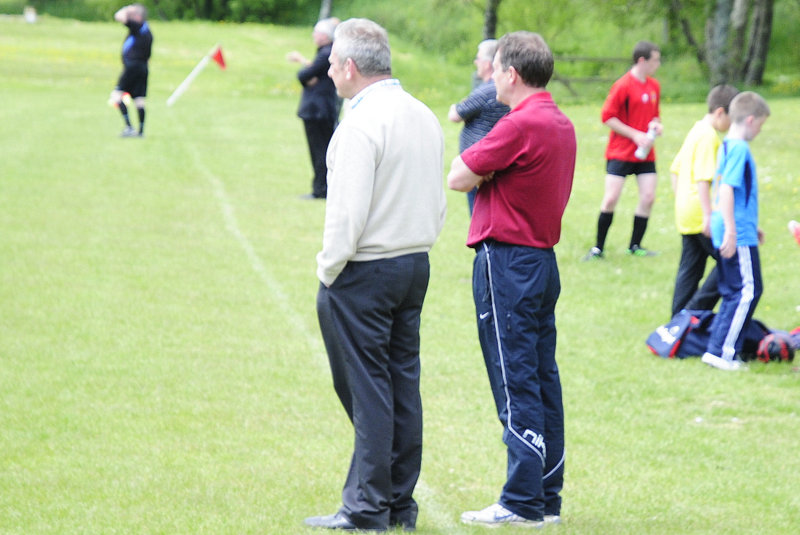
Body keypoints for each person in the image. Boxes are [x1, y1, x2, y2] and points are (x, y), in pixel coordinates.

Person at [305, 18, 446, 532]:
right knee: (401, 384)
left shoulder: (361, 124)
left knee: (368, 392)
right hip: (414, 262)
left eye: (332, 63)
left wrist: (328, 270)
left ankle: (367, 508)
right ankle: (397, 505)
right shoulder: (423, 115)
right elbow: (438, 197)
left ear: (348, 66)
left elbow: (346, 214)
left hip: (365, 270)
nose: (327, 69)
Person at [447, 31, 576, 528]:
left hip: (508, 263)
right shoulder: (560, 120)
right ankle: (546, 495)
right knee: (543, 377)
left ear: (511, 74)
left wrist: (486, 176)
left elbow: (458, 174)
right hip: (542, 262)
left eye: (495, 68)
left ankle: (521, 500)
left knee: (514, 376)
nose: (490, 75)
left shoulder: (517, 123)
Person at [701, 91, 770, 371]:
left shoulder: (727, 144)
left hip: (739, 227)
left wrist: (752, 226)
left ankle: (720, 348)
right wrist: (732, 230)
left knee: (736, 291)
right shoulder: (739, 147)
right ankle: (722, 352)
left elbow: (726, 191)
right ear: (751, 120)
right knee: (747, 291)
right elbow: (727, 189)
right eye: (761, 125)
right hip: (736, 232)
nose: (760, 131)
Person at [583, 40, 662, 260]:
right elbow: (607, 116)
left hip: (645, 153)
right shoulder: (623, 85)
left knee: (648, 197)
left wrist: (656, 125)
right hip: (621, 151)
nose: (658, 64)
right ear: (642, 60)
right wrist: (635, 135)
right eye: (656, 60)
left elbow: (654, 115)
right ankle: (598, 248)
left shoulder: (654, 86)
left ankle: (635, 246)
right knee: (610, 199)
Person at [670, 84, 739, 317]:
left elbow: (674, 170)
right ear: (720, 112)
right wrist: (709, 215)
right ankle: (694, 313)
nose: (732, 125)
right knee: (731, 262)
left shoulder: (696, 130)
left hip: (685, 210)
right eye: (733, 118)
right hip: (702, 212)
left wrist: (680, 199)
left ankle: (676, 323)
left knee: (690, 269)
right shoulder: (709, 137)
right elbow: (703, 178)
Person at [448, 39, 510, 215]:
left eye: (478, 58)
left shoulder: (486, 90)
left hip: (480, 166)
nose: (476, 63)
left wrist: (458, 104)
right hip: (490, 163)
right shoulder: (495, 90)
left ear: (488, 63)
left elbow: (454, 114)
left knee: (479, 214)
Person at [287, 18, 340, 199]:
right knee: (322, 149)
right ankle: (322, 187)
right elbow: (309, 73)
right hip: (320, 109)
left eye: (316, 32)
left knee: (320, 150)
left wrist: (307, 75)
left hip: (318, 110)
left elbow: (304, 74)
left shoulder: (326, 53)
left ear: (325, 36)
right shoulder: (326, 53)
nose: (313, 36)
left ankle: (321, 189)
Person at [111, 4, 152, 138]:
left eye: (133, 15)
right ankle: (140, 131)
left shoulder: (138, 27)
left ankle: (129, 127)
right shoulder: (147, 30)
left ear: (138, 17)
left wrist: (128, 8)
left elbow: (118, 16)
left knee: (117, 95)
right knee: (139, 99)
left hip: (132, 67)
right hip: (143, 67)